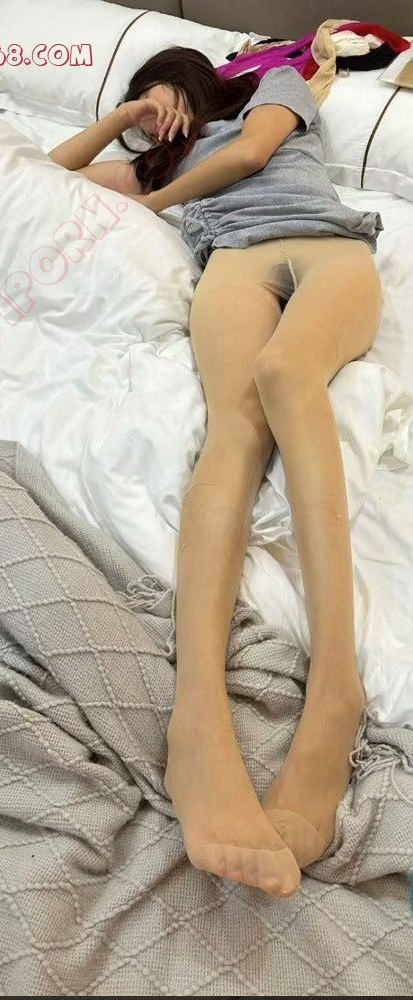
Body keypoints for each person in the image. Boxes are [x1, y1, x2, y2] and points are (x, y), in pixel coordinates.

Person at [48, 46, 383, 899]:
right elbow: (51, 175)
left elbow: (251, 153)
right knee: (232, 432)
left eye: (154, 90)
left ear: (188, 76)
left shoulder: (269, 86)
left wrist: (155, 203)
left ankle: (334, 692)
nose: (151, 109)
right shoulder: (154, 160)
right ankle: (196, 722)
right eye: (140, 101)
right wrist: (125, 122)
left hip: (328, 249)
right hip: (232, 260)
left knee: (285, 372)